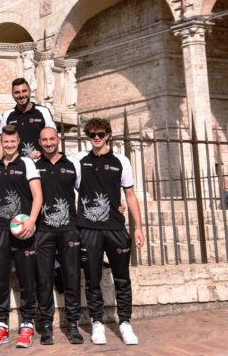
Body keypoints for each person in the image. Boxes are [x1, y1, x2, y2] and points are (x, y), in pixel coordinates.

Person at [75, 117, 144, 345]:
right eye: (92, 134)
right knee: (93, 279)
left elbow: (130, 195)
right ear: (88, 136)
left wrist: (138, 228)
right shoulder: (79, 160)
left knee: (122, 279)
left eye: (101, 134)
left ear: (108, 135)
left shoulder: (121, 161)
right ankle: (97, 322)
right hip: (89, 229)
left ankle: (125, 322)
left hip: (115, 228)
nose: (97, 138)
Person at [0, 125, 42, 349]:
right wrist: (0, 212)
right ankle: (1, 325)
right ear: (1, 143)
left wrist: (30, 221)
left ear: (18, 142)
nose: (9, 145)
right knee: (0, 279)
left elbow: (38, 196)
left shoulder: (27, 163)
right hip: (0, 229)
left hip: (24, 230)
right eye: (5, 142)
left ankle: (27, 324)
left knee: (26, 278)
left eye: (13, 142)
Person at [34, 127, 83, 345]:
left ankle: (72, 325)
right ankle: (46, 326)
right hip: (43, 231)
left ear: (58, 140)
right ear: (39, 142)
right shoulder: (34, 166)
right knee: (44, 279)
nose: (48, 143)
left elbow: (87, 193)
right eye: (44, 140)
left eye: (52, 139)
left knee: (71, 277)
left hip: (68, 230)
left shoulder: (72, 165)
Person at [1, 78, 55, 160]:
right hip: (17, 164)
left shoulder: (43, 111)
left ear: (30, 91)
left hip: (40, 162)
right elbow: (3, 141)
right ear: (12, 94)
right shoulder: (7, 115)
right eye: (17, 92)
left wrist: (42, 152)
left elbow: (53, 137)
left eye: (24, 91)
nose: (21, 95)